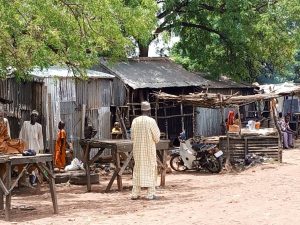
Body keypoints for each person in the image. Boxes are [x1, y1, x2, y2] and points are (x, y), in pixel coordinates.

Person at [130, 101, 160, 200]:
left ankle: (135, 193)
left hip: (137, 150)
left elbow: (132, 136)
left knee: (137, 169)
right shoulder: (151, 121)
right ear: (149, 110)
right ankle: (150, 194)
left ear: (141, 110)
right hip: (149, 150)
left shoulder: (135, 121)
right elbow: (157, 138)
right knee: (151, 169)